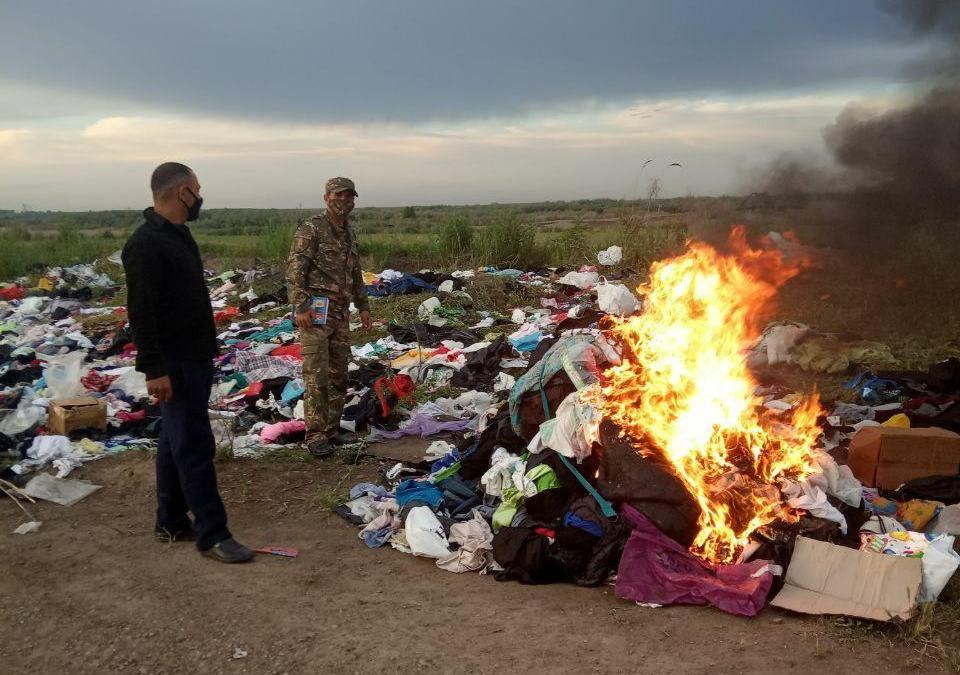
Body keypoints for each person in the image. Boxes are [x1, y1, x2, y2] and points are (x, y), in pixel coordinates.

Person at [122, 162, 253, 564]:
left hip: (194, 356)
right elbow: (141, 313)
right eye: (197, 189)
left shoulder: (180, 237)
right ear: (182, 192)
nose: (199, 196)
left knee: (172, 440)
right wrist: (154, 368)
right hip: (173, 362)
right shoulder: (145, 245)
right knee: (194, 443)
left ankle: (171, 520)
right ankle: (213, 534)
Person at [286, 177, 372, 458]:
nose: (344, 201)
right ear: (326, 197)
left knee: (339, 373)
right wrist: (300, 307)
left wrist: (363, 305)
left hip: (340, 313)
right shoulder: (312, 228)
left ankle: (332, 430)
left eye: (349, 196)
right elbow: (296, 270)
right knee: (316, 375)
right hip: (315, 314)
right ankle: (315, 434)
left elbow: (355, 272)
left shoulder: (348, 233)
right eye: (338, 195)